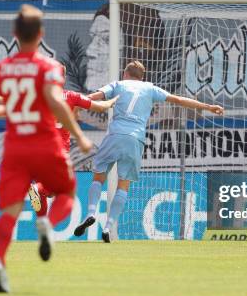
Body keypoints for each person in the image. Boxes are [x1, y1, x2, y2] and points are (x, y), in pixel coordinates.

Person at [0, 5, 92, 293]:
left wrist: (12, 109)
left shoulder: (3, 68)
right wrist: (78, 135)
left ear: (15, 34)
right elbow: (55, 102)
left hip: (15, 149)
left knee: (9, 213)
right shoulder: (48, 67)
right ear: (40, 34)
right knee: (66, 193)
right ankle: (48, 225)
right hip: (46, 144)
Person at [73, 61, 224, 242]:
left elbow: (94, 97)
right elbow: (179, 100)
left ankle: (90, 213)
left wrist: (75, 104)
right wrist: (207, 107)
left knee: (98, 177)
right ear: (142, 77)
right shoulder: (150, 88)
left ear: (125, 73)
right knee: (123, 185)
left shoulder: (118, 85)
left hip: (114, 135)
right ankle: (108, 227)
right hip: (135, 139)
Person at [28, 90, 119, 217]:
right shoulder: (71, 96)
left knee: (46, 192)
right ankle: (38, 189)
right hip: (56, 149)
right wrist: (113, 100)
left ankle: (42, 227)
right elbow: (100, 107)